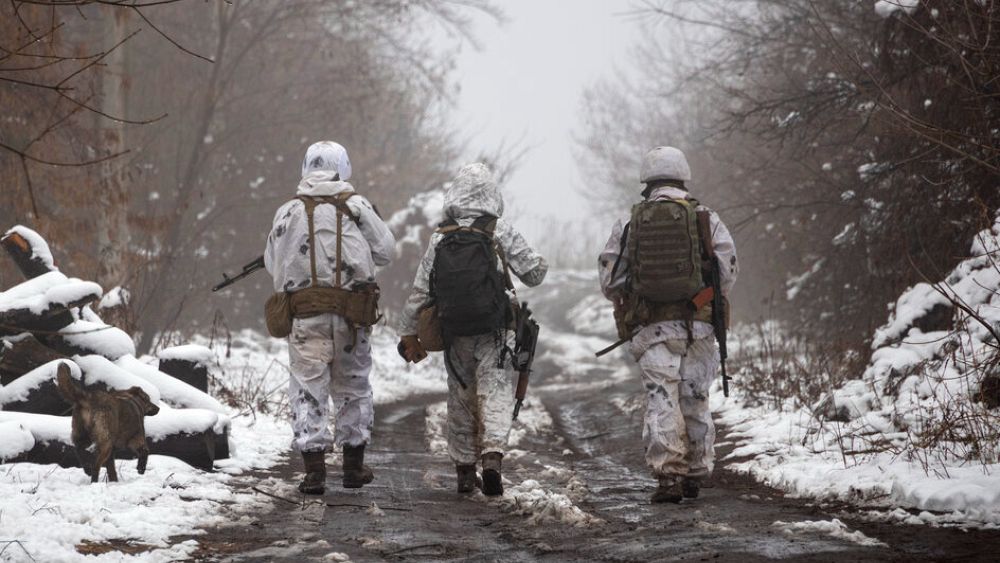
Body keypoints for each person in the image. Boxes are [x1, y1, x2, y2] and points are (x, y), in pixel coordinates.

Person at [396, 163, 547, 496]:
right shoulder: (499, 230)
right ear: (492, 194)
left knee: (460, 395)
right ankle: (492, 458)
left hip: (454, 329)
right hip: (495, 329)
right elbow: (535, 273)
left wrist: (408, 332)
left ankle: (465, 471)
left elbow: (420, 291)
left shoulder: (441, 237)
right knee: (494, 390)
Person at [598, 146, 738, 504]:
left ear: (647, 180)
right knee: (695, 397)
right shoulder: (706, 217)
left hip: (652, 329)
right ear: (683, 175)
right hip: (701, 326)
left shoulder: (631, 222)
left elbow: (610, 281)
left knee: (662, 398)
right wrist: (702, 299)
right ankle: (696, 472)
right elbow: (727, 270)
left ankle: (669, 478)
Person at [264, 141, 395, 494]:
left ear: (305, 167)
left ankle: (314, 472)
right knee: (353, 388)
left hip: (305, 318)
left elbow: (271, 263)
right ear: (344, 167)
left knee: (308, 390)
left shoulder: (287, 212)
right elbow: (386, 252)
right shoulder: (358, 207)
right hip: (353, 317)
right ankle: (353, 468)